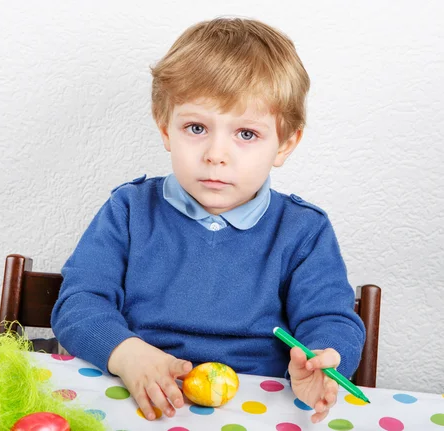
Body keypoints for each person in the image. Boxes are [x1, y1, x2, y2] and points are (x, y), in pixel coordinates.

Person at [51, 17, 365, 424]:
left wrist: (319, 361)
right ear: (166, 129)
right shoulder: (128, 210)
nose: (217, 153)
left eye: (246, 134)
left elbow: (330, 318)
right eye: (196, 127)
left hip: (257, 408)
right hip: (136, 396)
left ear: (285, 144)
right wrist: (125, 353)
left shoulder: (304, 231)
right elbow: (79, 302)